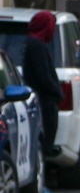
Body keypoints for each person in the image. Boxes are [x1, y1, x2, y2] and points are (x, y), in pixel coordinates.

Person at [22, 11, 62, 159]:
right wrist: (56, 91)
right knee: (45, 142)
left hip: (41, 97)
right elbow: (42, 74)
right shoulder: (37, 45)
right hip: (44, 99)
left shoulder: (33, 43)